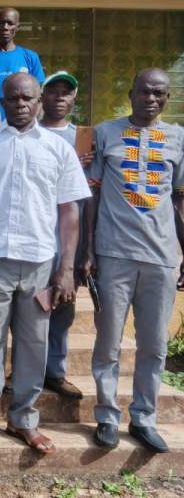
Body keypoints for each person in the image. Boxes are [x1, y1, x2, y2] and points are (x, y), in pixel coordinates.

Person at [0, 74, 89, 454]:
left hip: (39, 261)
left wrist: (66, 269)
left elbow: (69, 211)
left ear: (39, 101)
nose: (20, 104)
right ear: (3, 102)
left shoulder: (59, 148)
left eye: (27, 98)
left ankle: (22, 418)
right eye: (13, 98)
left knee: (34, 343)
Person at [82, 68, 184, 454]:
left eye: (159, 93)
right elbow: (91, 195)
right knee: (108, 342)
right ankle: (107, 416)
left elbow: (180, 200)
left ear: (167, 98)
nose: (151, 99)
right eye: (144, 92)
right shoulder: (106, 133)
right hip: (114, 253)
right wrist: (88, 249)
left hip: (161, 256)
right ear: (131, 94)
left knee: (154, 345)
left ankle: (143, 417)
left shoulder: (178, 138)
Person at [38, 70, 92, 401]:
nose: (59, 97)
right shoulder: (29, 132)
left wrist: (87, 249)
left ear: (74, 98)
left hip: (69, 234)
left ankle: (55, 372)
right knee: (30, 307)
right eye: (53, 91)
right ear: (42, 97)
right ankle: (26, 368)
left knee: (63, 305)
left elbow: (91, 193)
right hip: (36, 233)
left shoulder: (83, 137)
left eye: (66, 92)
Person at [0, 7, 45, 110]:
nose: (5, 27)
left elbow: (39, 93)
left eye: (10, 23)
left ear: (17, 27)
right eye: (1, 23)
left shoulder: (31, 57)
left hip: (22, 119)